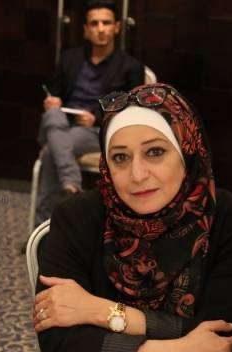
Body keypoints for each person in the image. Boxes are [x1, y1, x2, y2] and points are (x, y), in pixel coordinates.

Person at [33, 83, 232, 352]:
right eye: (120, 157)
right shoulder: (77, 216)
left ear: (187, 151)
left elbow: (224, 339)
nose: (137, 175)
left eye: (155, 152)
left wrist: (100, 311)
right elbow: (58, 342)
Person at [35, 0, 144, 226]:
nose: (100, 29)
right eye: (94, 24)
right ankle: (71, 181)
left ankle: (42, 230)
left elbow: (131, 111)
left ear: (117, 27)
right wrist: (52, 101)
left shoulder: (130, 67)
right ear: (86, 29)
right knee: (52, 115)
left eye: (106, 23)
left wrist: (97, 117)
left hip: (97, 131)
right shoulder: (70, 58)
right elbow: (54, 92)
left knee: (49, 153)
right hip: (63, 124)